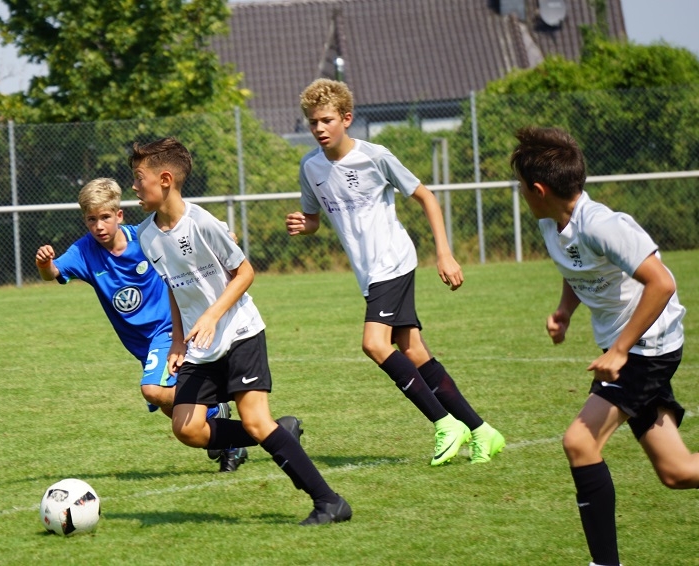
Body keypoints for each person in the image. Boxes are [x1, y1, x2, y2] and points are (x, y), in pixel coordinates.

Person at [132, 137, 352, 525]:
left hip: (239, 332)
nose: (134, 187)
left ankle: (329, 502)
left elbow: (245, 272)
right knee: (187, 428)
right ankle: (279, 433)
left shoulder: (202, 223)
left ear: (165, 179)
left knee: (255, 420)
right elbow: (173, 287)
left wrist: (213, 315)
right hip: (199, 344)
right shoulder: (146, 235)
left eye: (139, 178)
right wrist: (178, 341)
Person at [285, 79, 504, 466]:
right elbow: (315, 219)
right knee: (414, 352)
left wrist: (445, 254)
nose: (319, 128)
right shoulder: (310, 166)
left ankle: (444, 423)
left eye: (326, 120)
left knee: (374, 344)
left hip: (392, 261)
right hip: (369, 272)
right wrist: (306, 225)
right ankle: (482, 430)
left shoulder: (375, 156)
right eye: (313, 122)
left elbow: (426, 197)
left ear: (346, 119)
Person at [511, 126, 699, 566]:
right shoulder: (552, 223)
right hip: (631, 347)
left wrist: (620, 350)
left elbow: (661, 283)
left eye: (520, 185)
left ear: (538, 190)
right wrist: (565, 311)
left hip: (649, 347)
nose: (518, 192)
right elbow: (577, 268)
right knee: (677, 472)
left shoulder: (602, 224)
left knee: (579, 442)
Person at [35, 178, 247, 472]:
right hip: (141, 346)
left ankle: (214, 405)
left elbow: (185, 242)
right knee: (170, 408)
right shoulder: (84, 251)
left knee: (153, 390)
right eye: (91, 220)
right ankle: (229, 440)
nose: (99, 226)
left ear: (119, 215)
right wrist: (45, 265)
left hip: (170, 331)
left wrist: (223, 239)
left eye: (105, 217)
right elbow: (54, 272)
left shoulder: (145, 238)